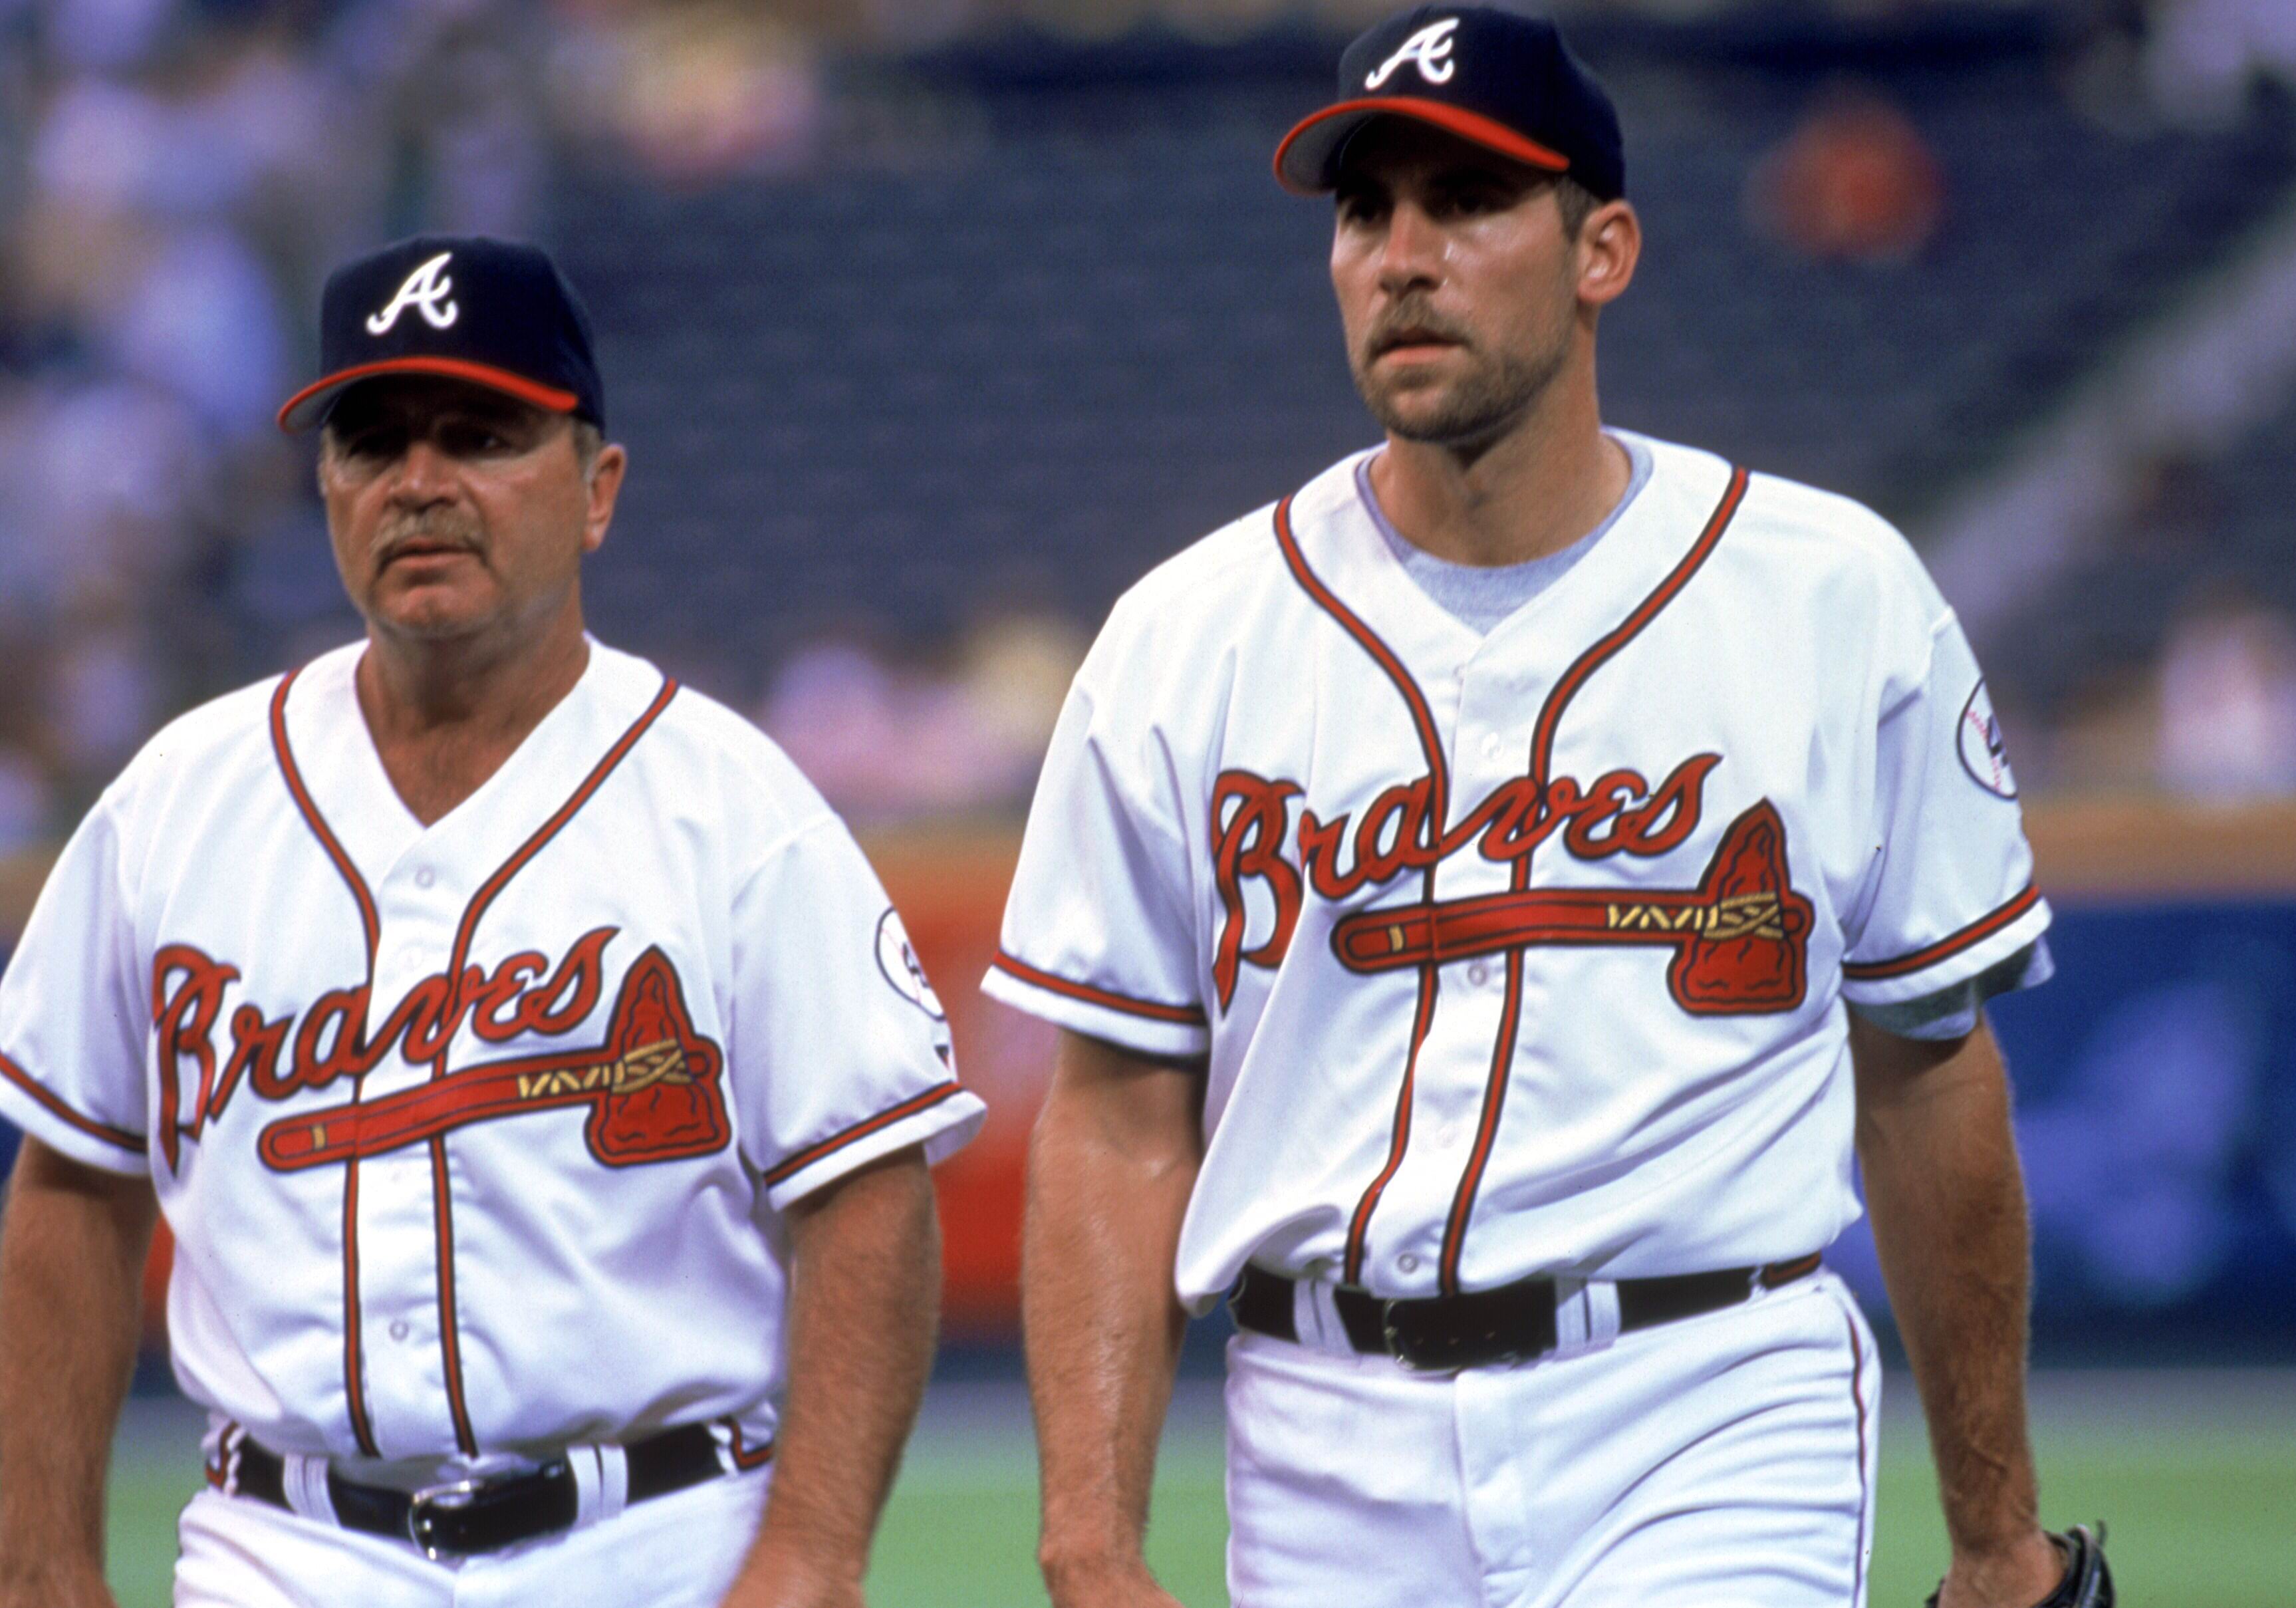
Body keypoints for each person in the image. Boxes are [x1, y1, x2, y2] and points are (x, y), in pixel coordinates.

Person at [988, 9, 2108, 1607]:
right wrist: (1089, 1541)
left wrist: (1998, 1536)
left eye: (1468, 201)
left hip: (1708, 1399)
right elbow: (1113, 1106)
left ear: (1606, 251)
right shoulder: (1191, 633)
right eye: (1367, 211)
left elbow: (1926, 1069)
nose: (1404, 255)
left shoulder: (1830, 595)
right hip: (1320, 1433)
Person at [0, 235, 985, 1607]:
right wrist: (39, 1567)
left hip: (657, 1544)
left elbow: (869, 1197)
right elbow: (71, 1187)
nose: (420, 484)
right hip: (283, 1553)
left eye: (481, 434)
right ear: (326, 489)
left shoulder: (730, 806)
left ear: (598, 490)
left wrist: (811, 1557)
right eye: (372, 441)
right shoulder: (179, 800)